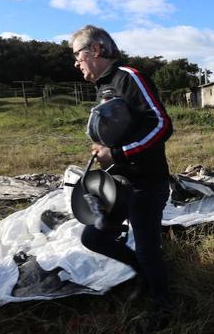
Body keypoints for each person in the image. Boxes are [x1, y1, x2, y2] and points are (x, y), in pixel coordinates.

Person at [70, 25, 173, 319]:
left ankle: (163, 307)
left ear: (96, 50)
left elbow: (161, 125)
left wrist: (116, 153)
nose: (76, 62)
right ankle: (142, 273)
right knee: (94, 237)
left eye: (78, 55)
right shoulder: (102, 86)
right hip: (117, 182)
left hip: (145, 183)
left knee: (147, 247)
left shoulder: (129, 77)